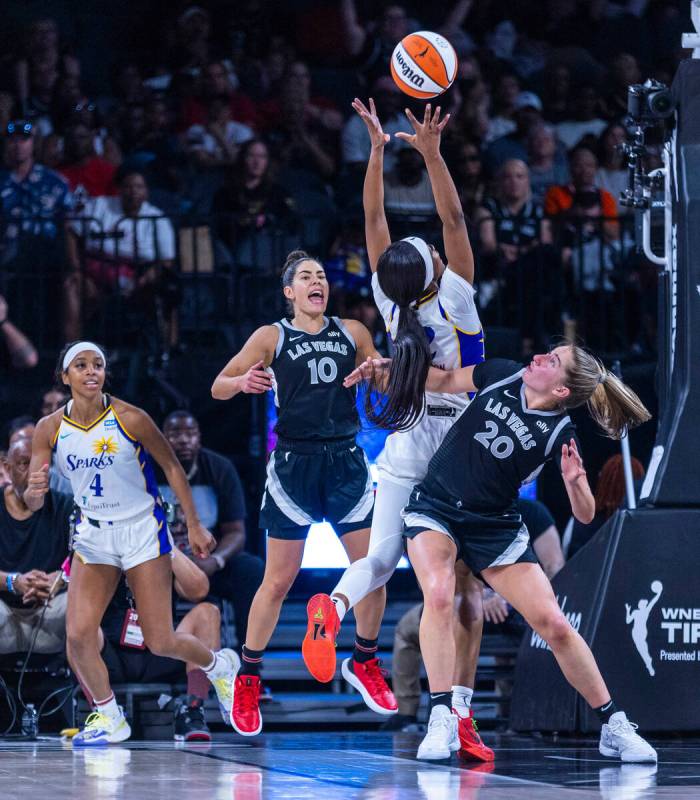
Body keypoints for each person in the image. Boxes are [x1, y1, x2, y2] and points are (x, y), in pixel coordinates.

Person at [349, 344, 656, 763]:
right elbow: (440, 380)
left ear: (562, 391)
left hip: (493, 524)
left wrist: (574, 481)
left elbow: (585, 514)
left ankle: (614, 725)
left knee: (554, 623)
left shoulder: (559, 433)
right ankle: (441, 717)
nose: (541, 357)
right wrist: (392, 370)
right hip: (435, 506)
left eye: (553, 361)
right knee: (438, 593)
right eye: (548, 351)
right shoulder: (504, 372)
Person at [302, 100, 492, 762]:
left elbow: (372, 218)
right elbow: (456, 217)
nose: (438, 247)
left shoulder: (391, 298)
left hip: (405, 438)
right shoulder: (457, 296)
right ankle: (455, 710)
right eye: (433, 252)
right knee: (461, 588)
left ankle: (333, 602)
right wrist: (433, 155)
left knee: (378, 560)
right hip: (458, 448)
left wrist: (377, 153)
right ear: (435, 270)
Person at [25, 341, 238, 746]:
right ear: (64, 376)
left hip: (141, 526)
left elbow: (173, 468)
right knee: (78, 633)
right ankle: (109, 717)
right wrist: (35, 491)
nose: (92, 372)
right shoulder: (48, 428)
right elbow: (36, 500)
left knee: (160, 639)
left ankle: (218, 664)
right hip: (95, 531)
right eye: (82, 365)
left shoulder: (130, 417)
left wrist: (193, 523)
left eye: (99, 365)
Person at [210, 248, 386, 737]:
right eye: (306, 277)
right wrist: (243, 380)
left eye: (321, 276)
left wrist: (378, 371)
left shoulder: (352, 332)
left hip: (346, 461)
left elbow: (386, 377)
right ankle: (248, 675)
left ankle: (365, 660)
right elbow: (217, 387)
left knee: (371, 570)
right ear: (289, 292)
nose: (317, 282)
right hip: (294, 464)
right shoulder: (272, 335)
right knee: (278, 581)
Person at [390, 499, 564, 728]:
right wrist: (483, 597)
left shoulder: (532, 512)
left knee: (543, 625)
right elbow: (444, 570)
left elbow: (555, 567)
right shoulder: (459, 507)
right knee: (421, 623)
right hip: (466, 597)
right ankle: (427, 712)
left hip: (516, 608)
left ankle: (498, 714)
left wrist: (509, 597)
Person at [159, 410, 265, 648]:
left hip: (205, 563)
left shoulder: (219, 468)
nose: (184, 440)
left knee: (251, 569)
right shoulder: (148, 468)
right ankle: (151, 661)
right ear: (163, 439)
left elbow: (236, 532)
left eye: (190, 433)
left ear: (199, 437)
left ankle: (248, 661)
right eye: (175, 434)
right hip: (160, 564)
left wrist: (215, 560)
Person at [99, 547, 222, 742]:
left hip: (161, 650)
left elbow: (199, 590)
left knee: (208, 613)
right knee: (81, 627)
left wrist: (166, 542)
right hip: (111, 655)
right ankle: (102, 713)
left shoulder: (160, 547)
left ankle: (192, 711)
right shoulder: (102, 542)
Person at [0, 437, 72, 656]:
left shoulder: (66, 505)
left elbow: (84, 560)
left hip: (52, 611)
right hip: (4, 612)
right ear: (6, 466)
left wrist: (59, 579)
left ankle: (86, 689)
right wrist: (14, 582)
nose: (33, 474)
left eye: (41, 465)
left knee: (82, 597)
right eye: (24, 463)